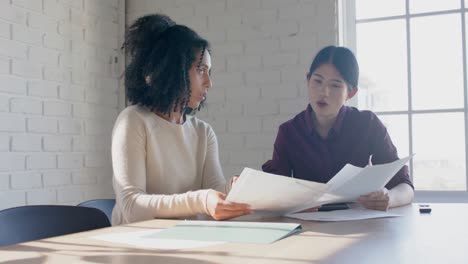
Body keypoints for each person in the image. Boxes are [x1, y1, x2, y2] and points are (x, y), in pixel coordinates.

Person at [111, 14, 251, 225]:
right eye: (201, 70)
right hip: (134, 245)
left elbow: (214, 193)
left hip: (183, 242)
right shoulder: (132, 121)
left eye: (209, 72)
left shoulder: (204, 132)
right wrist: (200, 200)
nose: (209, 83)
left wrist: (236, 188)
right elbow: (131, 207)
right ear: (173, 71)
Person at [262, 45, 414, 211]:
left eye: (335, 85)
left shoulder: (367, 124)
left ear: (351, 93)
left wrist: (388, 198)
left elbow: (405, 186)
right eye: (317, 81)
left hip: (359, 225)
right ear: (308, 80)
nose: (324, 92)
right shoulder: (289, 132)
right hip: (308, 226)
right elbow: (273, 190)